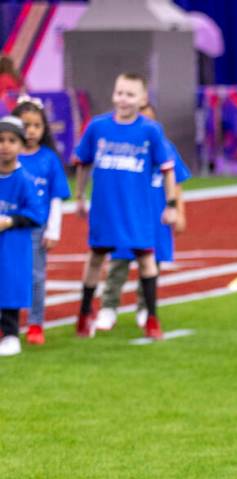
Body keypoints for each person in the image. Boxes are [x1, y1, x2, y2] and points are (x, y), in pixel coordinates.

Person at [73, 73, 177, 340]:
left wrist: (172, 204)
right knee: (95, 258)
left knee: (146, 259)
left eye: (130, 94)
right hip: (105, 209)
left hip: (137, 211)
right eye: (119, 93)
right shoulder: (97, 127)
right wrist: (80, 197)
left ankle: (151, 316)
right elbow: (83, 164)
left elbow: (167, 169)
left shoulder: (151, 130)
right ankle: (85, 313)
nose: (123, 99)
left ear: (142, 99)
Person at [97, 103, 190, 331]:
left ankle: (145, 307)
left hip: (156, 218)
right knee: (119, 261)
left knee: (151, 263)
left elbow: (176, 184)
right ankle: (108, 306)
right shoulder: (122, 147)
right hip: (128, 215)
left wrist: (179, 211)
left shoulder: (166, 149)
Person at [12, 96, 71, 346]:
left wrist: (54, 229)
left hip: (37, 228)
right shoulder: (9, 157)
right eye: (26, 125)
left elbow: (57, 197)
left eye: (37, 125)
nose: (31, 131)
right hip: (9, 228)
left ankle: (35, 323)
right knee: (8, 275)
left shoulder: (49, 159)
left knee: (36, 276)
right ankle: (8, 325)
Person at [0, 116, 44, 356]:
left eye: (11, 141)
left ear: (20, 145)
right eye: (0, 140)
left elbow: (37, 213)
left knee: (8, 287)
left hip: (12, 245)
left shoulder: (24, 180)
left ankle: (10, 334)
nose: (5, 146)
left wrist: (10, 221)